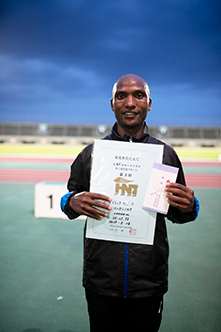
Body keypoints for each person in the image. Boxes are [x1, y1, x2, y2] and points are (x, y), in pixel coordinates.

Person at [61, 74, 200, 332]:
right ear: (112, 104)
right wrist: (72, 201)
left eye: (138, 95)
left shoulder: (165, 155)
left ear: (149, 103)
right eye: (121, 96)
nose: (130, 103)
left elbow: (179, 213)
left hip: (148, 281)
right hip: (101, 279)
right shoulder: (92, 153)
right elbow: (69, 199)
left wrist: (190, 206)